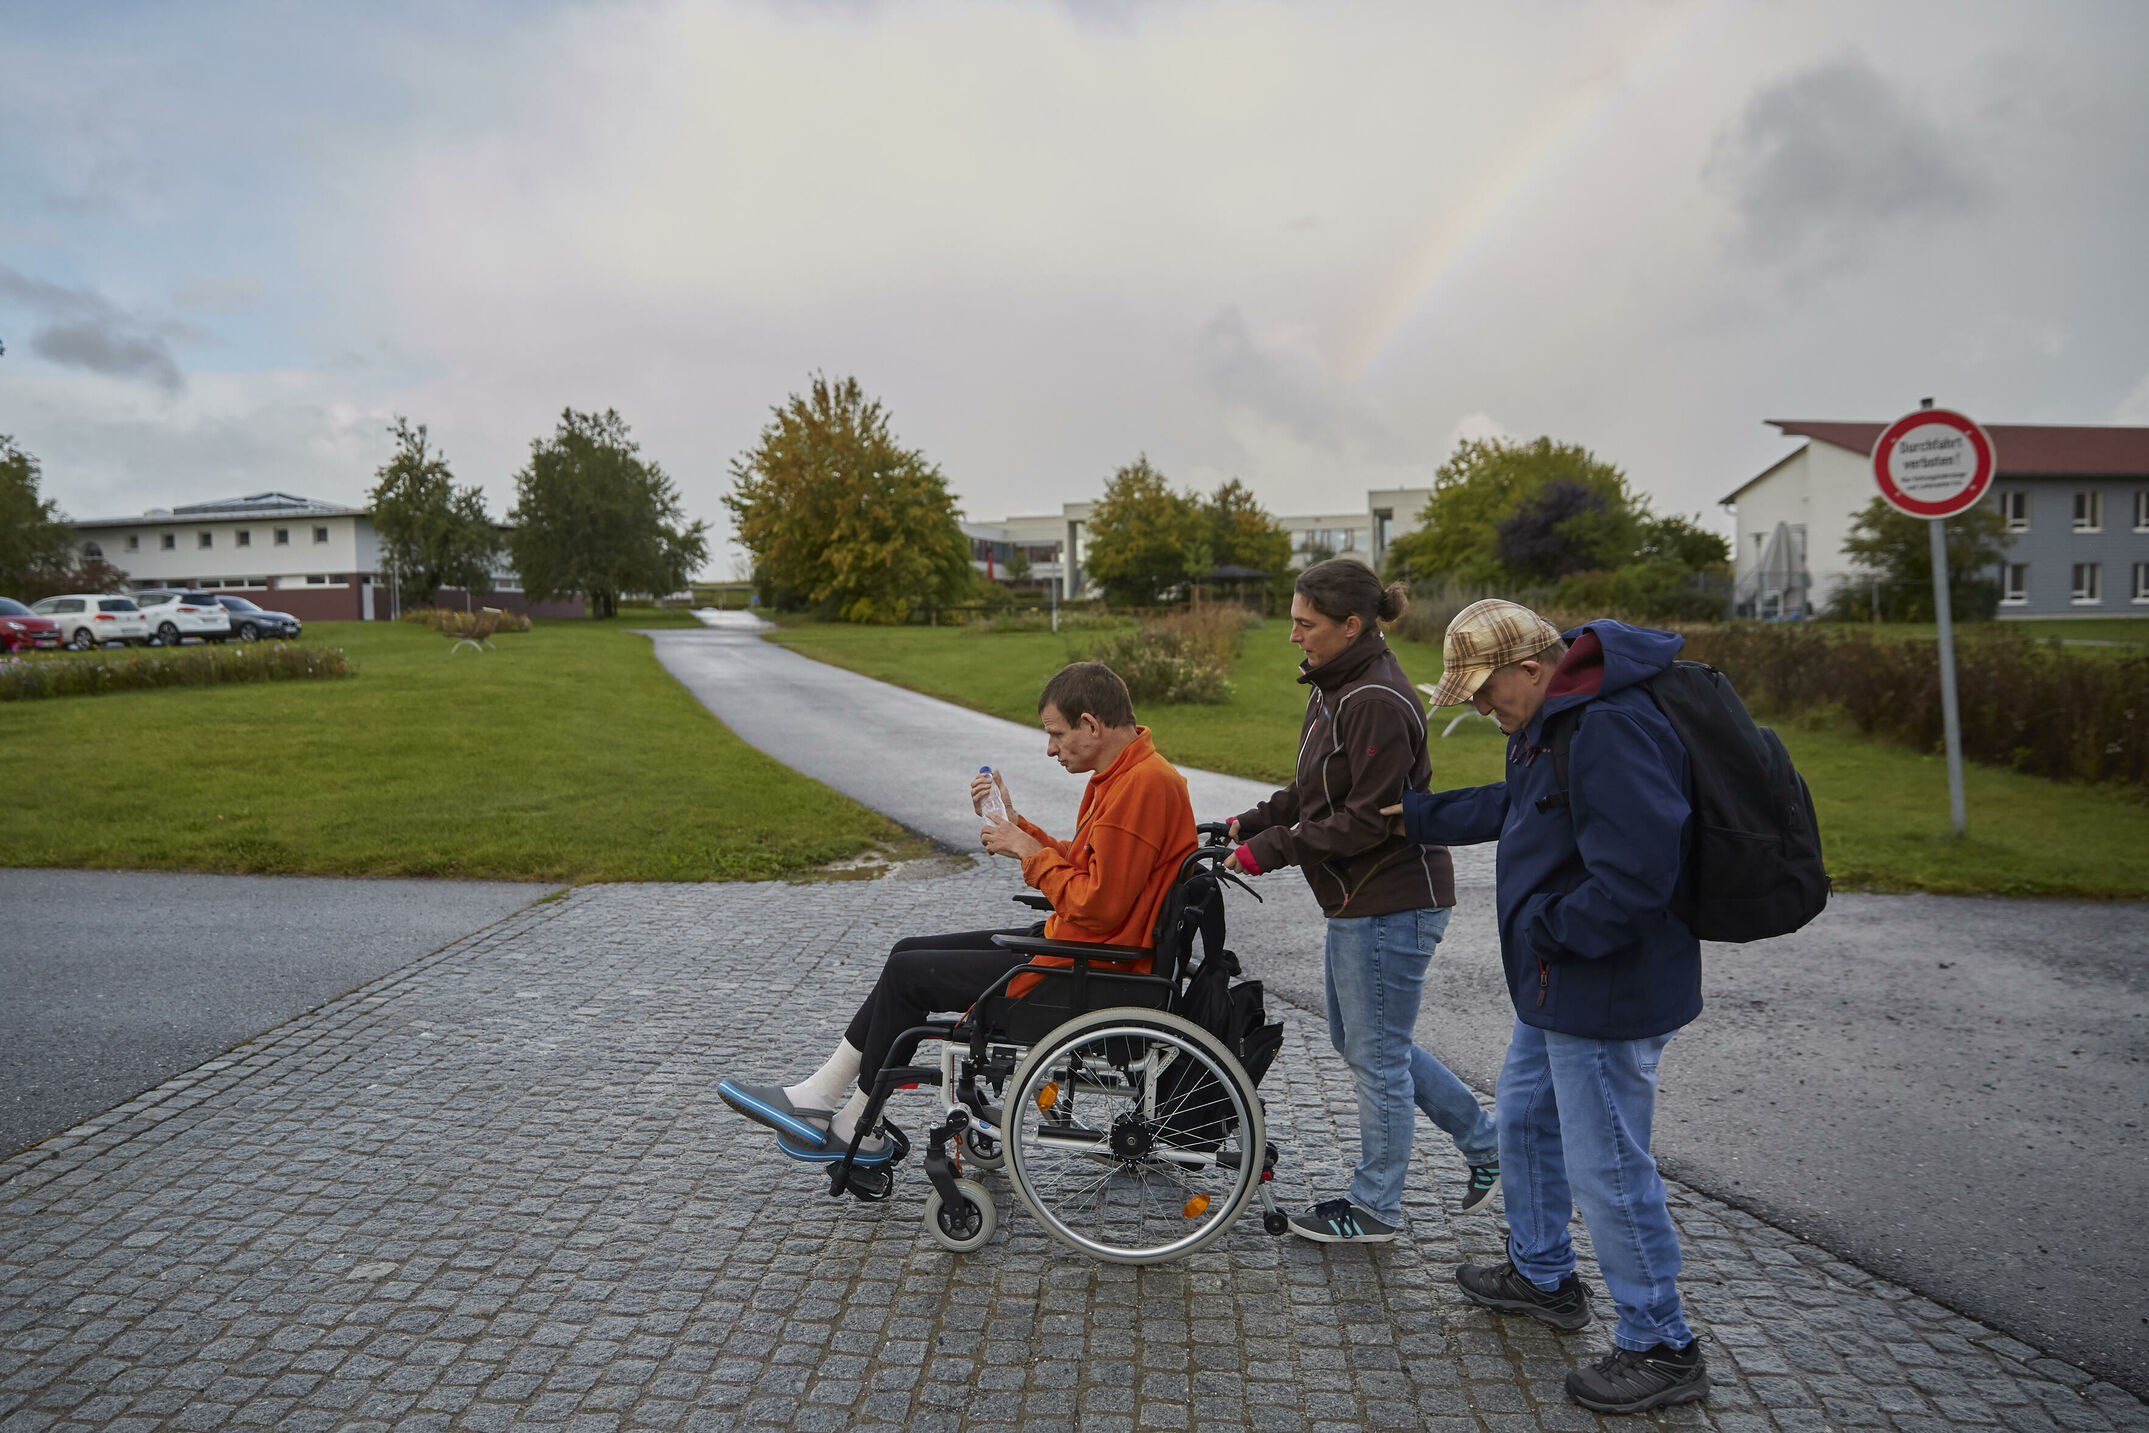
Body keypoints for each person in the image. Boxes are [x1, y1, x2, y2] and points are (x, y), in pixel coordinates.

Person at [1388, 598, 1709, 1416]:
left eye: (1487, 692)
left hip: (1604, 985)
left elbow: (1639, 873)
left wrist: (1550, 931)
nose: (1482, 709)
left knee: (1607, 1166)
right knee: (1526, 1113)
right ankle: (1540, 1272)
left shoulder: (1605, 726)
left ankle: (1661, 1342)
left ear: (1531, 667)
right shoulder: (1553, 720)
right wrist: (1415, 817)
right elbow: (1518, 807)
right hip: (1559, 981)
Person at [718, 660, 1197, 1164]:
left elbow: (1098, 906)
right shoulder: (1127, 776)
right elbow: (1084, 868)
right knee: (908, 952)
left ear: (1091, 725)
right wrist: (1015, 825)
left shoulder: (1141, 785)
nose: (1050, 748)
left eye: (1056, 735)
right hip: (1086, 949)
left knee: (910, 974)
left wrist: (1026, 852)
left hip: (1091, 964)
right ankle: (819, 1098)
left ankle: (859, 1123)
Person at [1222, 559, 1500, 1244]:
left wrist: (1273, 848)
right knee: (1367, 1042)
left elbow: (1368, 819)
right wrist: (1248, 823)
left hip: (1393, 899)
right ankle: (1489, 1143)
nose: (1292, 635)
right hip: (1364, 899)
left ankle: (1373, 1206)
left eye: (1304, 623)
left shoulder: (1372, 697)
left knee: (1375, 1054)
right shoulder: (1336, 686)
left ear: (1351, 625)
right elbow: (1316, 793)